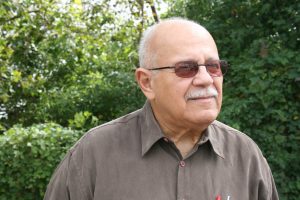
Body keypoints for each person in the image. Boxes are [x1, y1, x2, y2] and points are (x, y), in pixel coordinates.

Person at [44, 18, 279, 200]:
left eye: (214, 66)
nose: (206, 79)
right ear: (146, 82)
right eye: (186, 68)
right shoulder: (93, 155)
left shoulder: (246, 156)